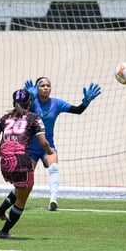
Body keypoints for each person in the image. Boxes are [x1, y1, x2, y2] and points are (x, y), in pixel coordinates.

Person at [0, 89, 54, 239]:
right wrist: (49, 151)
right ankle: (4, 231)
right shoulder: (34, 118)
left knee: (20, 188)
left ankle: (1, 212)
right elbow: (43, 142)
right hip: (21, 161)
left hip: (5, 163)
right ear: (30, 103)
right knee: (23, 195)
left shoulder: (5, 118)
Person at [24, 77, 101, 211]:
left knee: (54, 167)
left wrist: (86, 101)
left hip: (47, 147)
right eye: (42, 85)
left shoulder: (56, 103)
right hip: (30, 148)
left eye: (48, 85)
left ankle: (53, 200)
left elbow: (78, 110)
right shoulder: (31, 103)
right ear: (36, 88)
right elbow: (19, 112)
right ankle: (20, 201)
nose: (46, 87)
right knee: (26, 177)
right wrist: (28, 98)